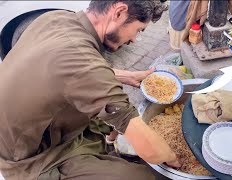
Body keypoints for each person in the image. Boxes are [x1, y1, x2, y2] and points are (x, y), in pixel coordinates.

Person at [0, 1, 182, 180]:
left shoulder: (55, 18)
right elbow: (150, 149)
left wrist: (127, 76)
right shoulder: (83, 63)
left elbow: (69, 70)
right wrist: (174, 159)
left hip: (39, 126)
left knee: (107, 119)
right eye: (138, 30)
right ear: (118, 12)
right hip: (31, 158)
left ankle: (103, 149)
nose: (134, 39)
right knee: (141, 176)